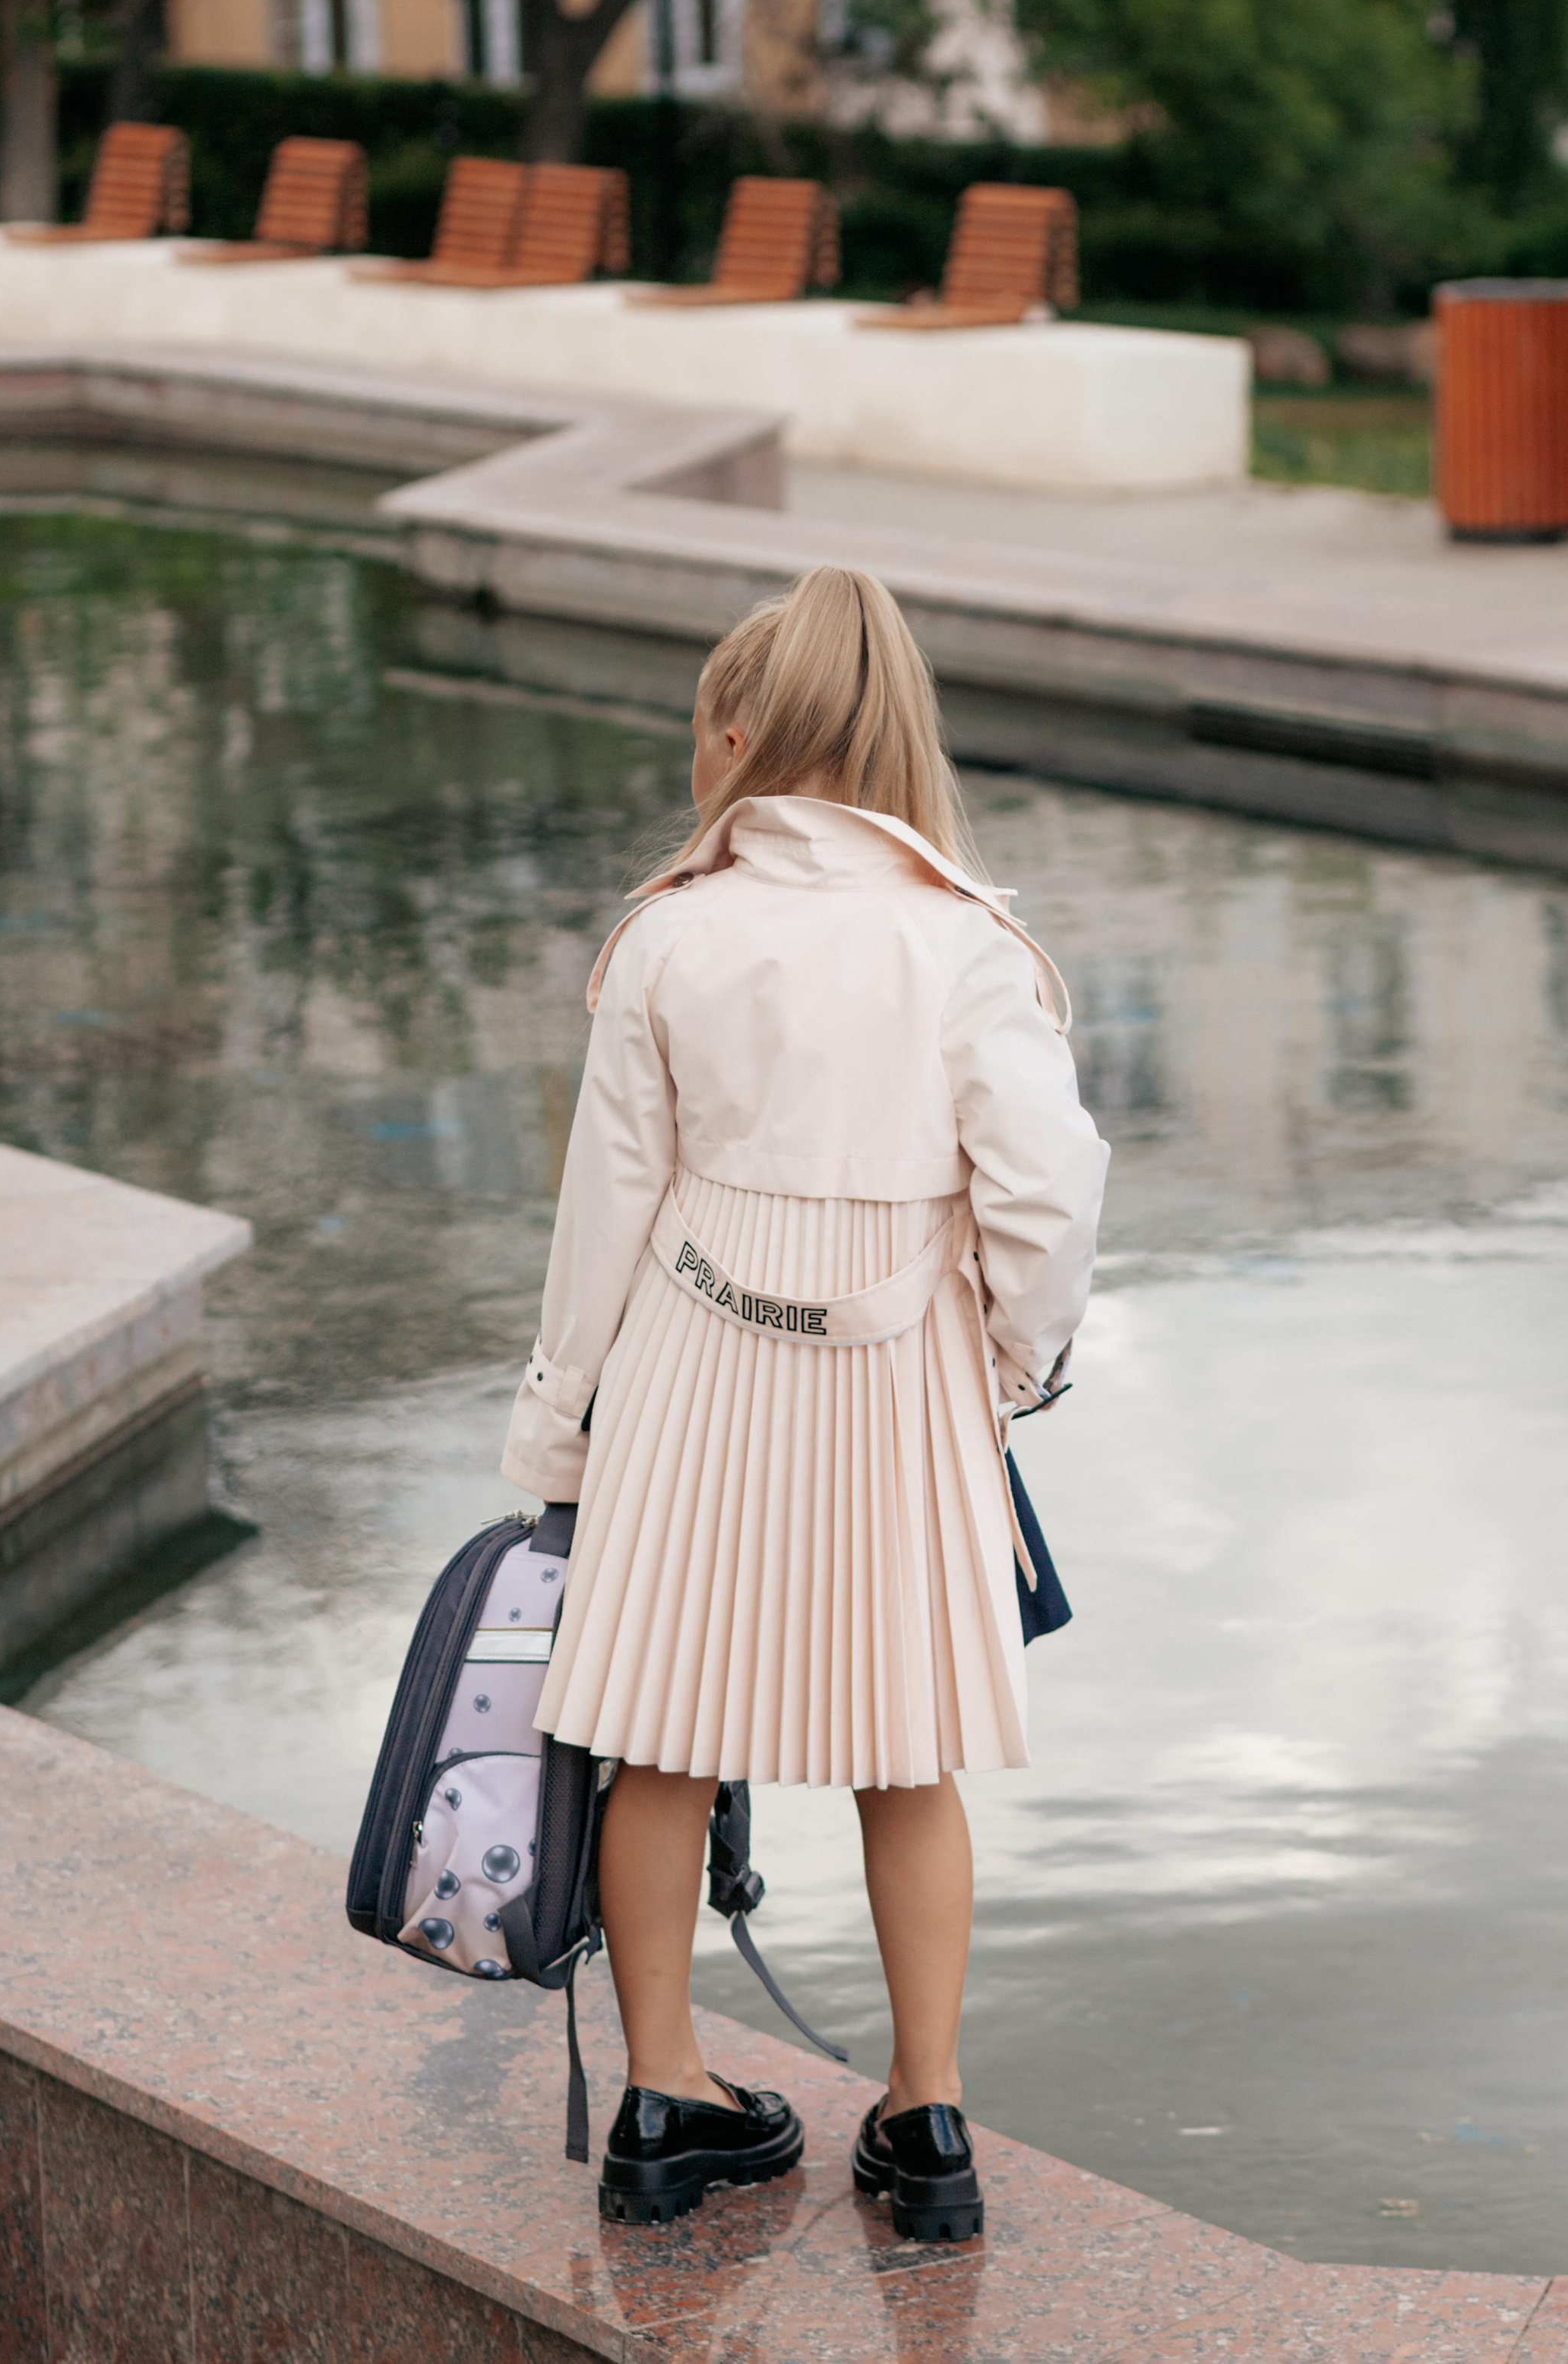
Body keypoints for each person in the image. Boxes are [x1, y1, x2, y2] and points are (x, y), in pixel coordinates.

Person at [498, 564, 1109, 2238]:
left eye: (700, 727)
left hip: (688, 1373)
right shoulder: (967, 943)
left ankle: (662, 2102)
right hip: (898, 1380)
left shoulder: (665, 937)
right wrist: (1011, 1365)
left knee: (659, 1744)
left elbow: (604, 1211)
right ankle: (926, 2121)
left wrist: (558, 1425)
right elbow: (1047, 1195)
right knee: (906, 1756)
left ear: (739, 737)